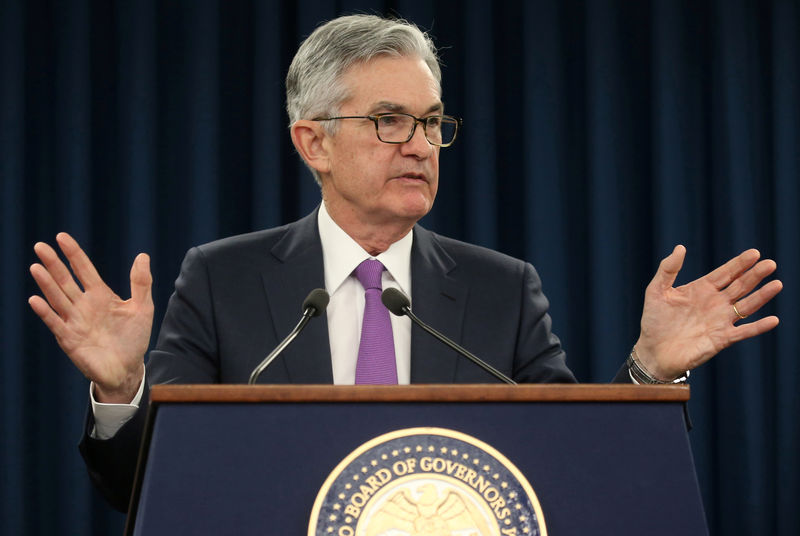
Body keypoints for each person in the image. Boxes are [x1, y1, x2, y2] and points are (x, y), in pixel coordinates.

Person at [28, 14, 782, 512]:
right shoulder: (223, 281)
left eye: (430, 122)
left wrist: (648, 374)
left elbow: (573, 472)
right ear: (312, 143)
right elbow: (151, 491)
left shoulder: (502, 289)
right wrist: (123, 389)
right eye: (389, 121)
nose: (420, 144)